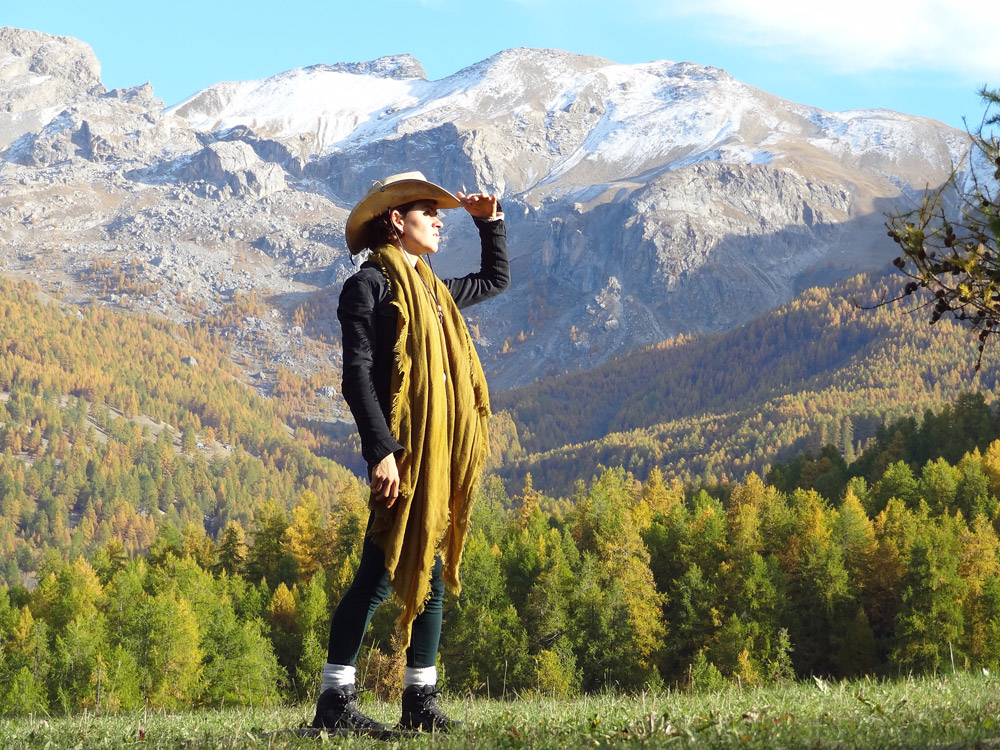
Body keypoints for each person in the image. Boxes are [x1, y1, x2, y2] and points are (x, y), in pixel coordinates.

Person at [312, 171, 509, 732]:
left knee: (432, 569)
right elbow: (358, 377)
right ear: (397, 221)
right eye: (429, 210)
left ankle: (419, 704)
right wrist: (382, 451)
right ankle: (335, 702)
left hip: (439, 456)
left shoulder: (433, 291)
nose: (439, 219)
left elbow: (495, 278)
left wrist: (488, 222)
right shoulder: (368, 287)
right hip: (402, 453)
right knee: (381, 570)